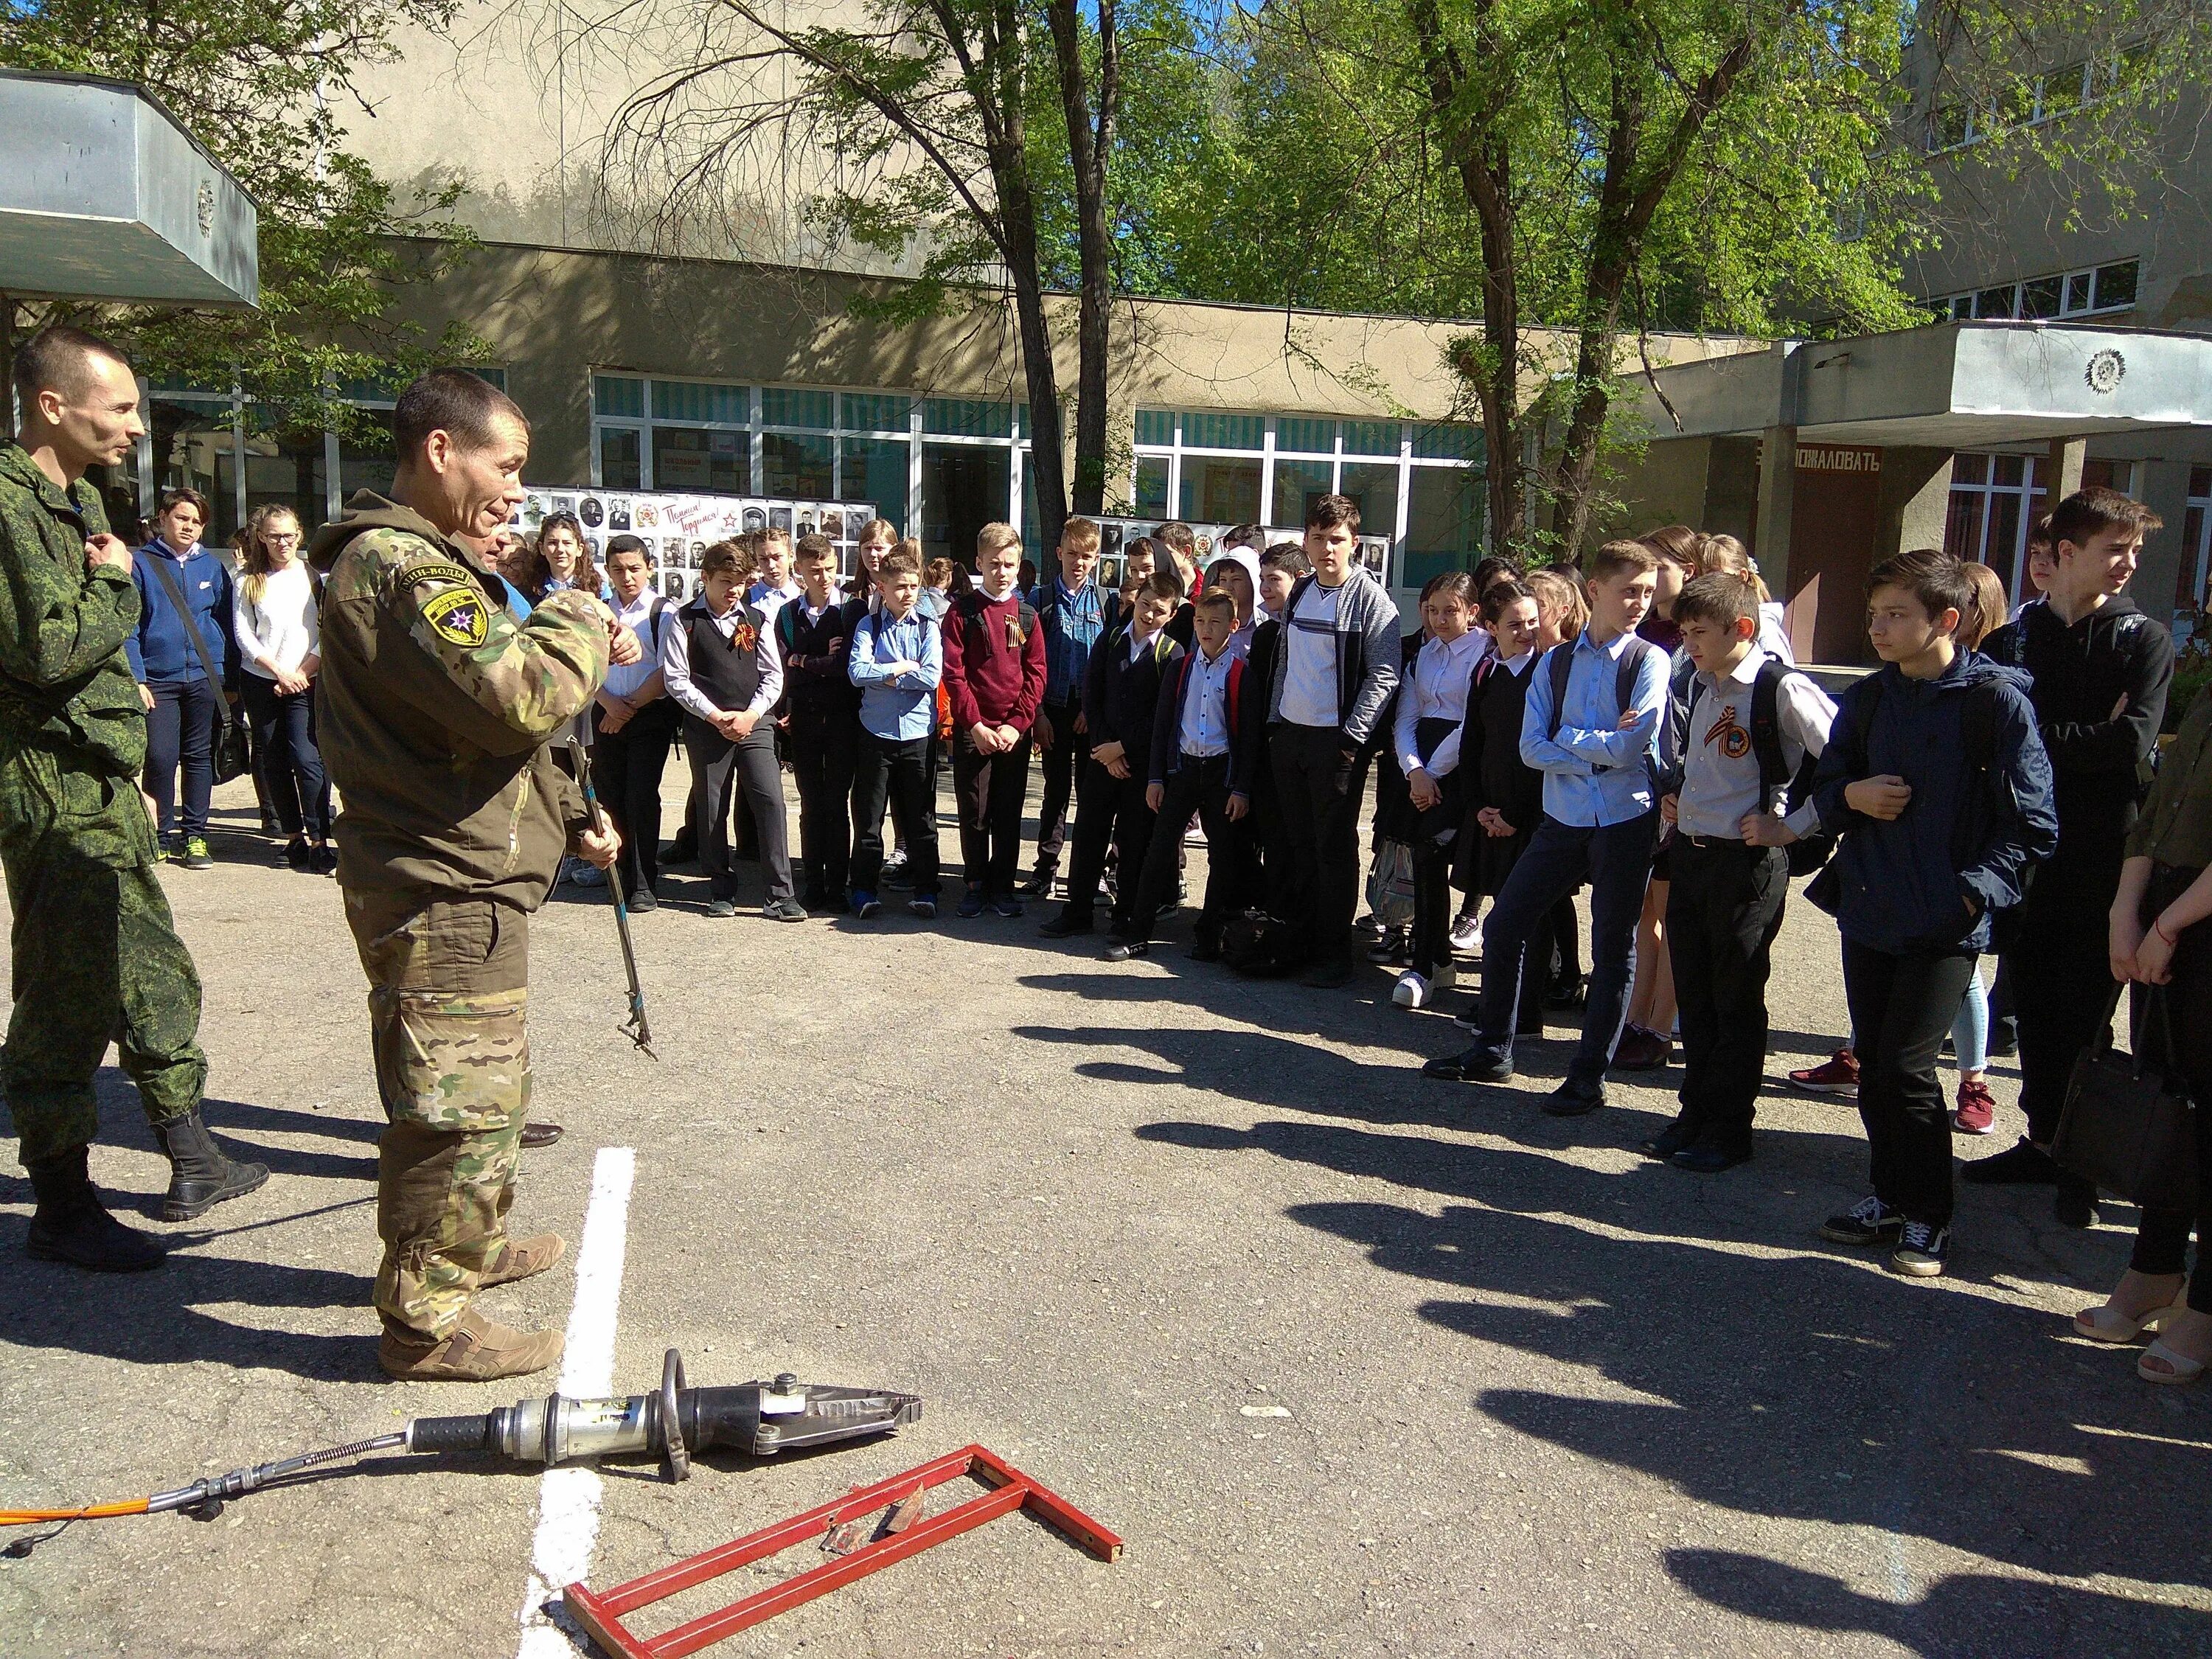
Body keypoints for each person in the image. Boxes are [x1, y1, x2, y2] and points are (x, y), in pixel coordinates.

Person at [307, 368, 636, 1379]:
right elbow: (517, 693)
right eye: (508, 463)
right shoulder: (403, 567)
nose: (518, 491)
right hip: (440, 883)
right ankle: (426, 1325)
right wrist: (581, 612)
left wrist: (573, 811)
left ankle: (470, 1250)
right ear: (442, 450)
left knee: (486, 1093)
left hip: (464, 876)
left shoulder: (431, 562)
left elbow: (483, 734)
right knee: (454, 1109)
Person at [0, 325, 268, 1271]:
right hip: (51, 781)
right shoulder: (10, 503)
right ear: (52, 405)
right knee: (67, 988)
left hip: (100, 776)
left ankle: (190, 1154)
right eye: (118, 407)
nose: (135, 425)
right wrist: (118, 586)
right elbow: (46, 649)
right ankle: (62, 1205)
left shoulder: (76, 498)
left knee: (148, 961)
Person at [1809, 549, 2055, 1279]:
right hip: (1871, 906)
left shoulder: (1995, 703)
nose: (1880, 630)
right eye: (1874, 615)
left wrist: (1971, 891)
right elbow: (1827, 782)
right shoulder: (1871, 698)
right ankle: (1888, 1195)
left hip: (1945, 920)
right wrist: (1851, 797)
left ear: (1946, 620)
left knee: (1908, 1068)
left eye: (1897, 616)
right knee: (1876, 1070)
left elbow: (2034, 823)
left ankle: (1929, 1217)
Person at [1969, 487, 2173, 1225]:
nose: (2127, 564)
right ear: (2061, 555)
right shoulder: (2012, 643)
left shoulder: (2139, 641)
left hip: (2105, 857)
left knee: (2087, 1011)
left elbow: (2130, 746)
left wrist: (2035, 740)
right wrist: (2072, 739)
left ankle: (2081, 1166)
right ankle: (2041, 1140)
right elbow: (1982, 736)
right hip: (2025, 854)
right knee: (2032, 1003)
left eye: (2134, 553)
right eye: (2113, 549)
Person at [1423, 540, 1668, 1115]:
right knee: (1505, 926)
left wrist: (1574, 741)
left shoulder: (1648, 661)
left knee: (1614, 948)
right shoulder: (1555, 663)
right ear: (1595, 592)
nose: (1639, 603)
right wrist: (1600, 745)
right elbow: (1530, 749)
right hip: (1564, 819)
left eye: (1648, 593)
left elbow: (1636, 745)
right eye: (1628, 590)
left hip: (1625, 819)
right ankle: (1492, 1048)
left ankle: (1587, 1076)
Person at [1643, 570, 1837, 1172]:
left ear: (1743, 629)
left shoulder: (1780, 687)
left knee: (1735, 998)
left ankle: (1731, 1128)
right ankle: (1696, 1111)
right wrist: (1678, 799)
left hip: (1746, 865)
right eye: (1685, 632)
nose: (1689, 644)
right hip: (1692, 854)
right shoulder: (1704, 683)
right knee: (1695, 995)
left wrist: (1791, 823)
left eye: (1699, 632)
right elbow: (1707, 766)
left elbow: (1843, 757)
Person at [2087, 681, 2212, 1382]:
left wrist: (2170, 924)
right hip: (2170, 906)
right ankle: (2156, 1269)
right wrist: (2127, 911)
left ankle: (2210, 1307)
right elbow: (2156, 812)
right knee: (2171, 1105)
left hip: (2194, 915)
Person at [1261, 495, 1402, 987]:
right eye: (1318, 538)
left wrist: (1351, 737)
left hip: (1335, 744)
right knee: (1299, 846)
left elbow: (1385, 675)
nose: (1327, 548)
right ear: (1306, 540)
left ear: (1354, 544)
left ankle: (1334, 955)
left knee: (1333, 851)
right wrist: (1277, 721)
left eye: (1337, 539)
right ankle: (1300, 942)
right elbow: (1284, 659)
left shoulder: (1371, 599)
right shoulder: (1299, 592)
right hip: (1292, 737)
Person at [1107, 588, 1253, 961]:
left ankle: (1208, 935)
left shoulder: (1241, 674)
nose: (1206, 629)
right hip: (1183, 771)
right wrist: (1156, 777)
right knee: (1158, 851)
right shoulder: (1181, 667)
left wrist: (1242, 788)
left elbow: (1249, 738)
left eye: (1216, 622)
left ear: (1233, 627)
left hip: (1221, 774)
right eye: (1201, 621)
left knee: (1222, 857)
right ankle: (1137, 931)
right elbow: (1163, 727)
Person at [1043, 570, 1186, 942]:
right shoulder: (1109, 640)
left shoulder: (1172, 654)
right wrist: (1105, 748)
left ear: (1171, 615)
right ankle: (1077, 910)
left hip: (1139, 767)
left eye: (1158, 610)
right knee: (1089, 834)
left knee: (1133, 841)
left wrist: (1123, 749)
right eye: (1144, 605)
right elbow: (1092, 696)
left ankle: (1125, 916)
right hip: (1101, 757)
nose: (1148, 615)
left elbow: (1163, 715)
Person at [665, 540, 804, 922]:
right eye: (726, 581)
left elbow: (774, 676)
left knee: (770, 799)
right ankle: (720, 887)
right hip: (708, 726)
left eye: (741, 583)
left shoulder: (756, 619)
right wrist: (715, 716)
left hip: (755, 723)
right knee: (712, 805)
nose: (734, 591)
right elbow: (676, 679)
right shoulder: (684, 620)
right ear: (705, 578)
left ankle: (780, 893)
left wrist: (752, 715)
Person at [1448, 580, 1548, 1037]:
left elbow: (1541, 756)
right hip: (1490, 813)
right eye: (1515, 625)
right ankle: (1496, 1002)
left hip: (1528, 817)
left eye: (1533, 622)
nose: (1527, 632)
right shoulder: (1486, 673)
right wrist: (1480, 807)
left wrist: (1513, 813)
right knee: (1501, 910)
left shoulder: (1547, 674)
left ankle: (1524, 1011)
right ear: (1490, 628)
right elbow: (1474, 742)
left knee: (1526, 915)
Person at [127, 486, 238, 868]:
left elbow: (226, 623)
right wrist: (137, 678)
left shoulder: (212, 567)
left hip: (206, 677)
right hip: (158, 678)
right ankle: (158, 834)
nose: (189, 526)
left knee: (198, 758)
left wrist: (231, 681)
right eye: (181, 518)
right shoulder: (141, 564)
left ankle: (195, 836)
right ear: (163, 519)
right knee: (159, 757)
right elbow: (130, 627)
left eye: (197, 521)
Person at [1941, 561, 2014, 1132]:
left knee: (1964, 973)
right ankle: (1857, 1055)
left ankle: (1975, 1081)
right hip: (1913, 851)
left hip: (1966, 851)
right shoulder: (1911, 675)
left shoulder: (1996, 681)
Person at [1390, 572, 1484, 1008]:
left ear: (1472, 612)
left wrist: (1434, 772)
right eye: (1432, 611)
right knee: (1424, 864)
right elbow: (1407, 716)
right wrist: (1414, 771)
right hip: (1422, 768)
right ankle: (1431, 960)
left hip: (1462, 768)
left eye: (1451, 610)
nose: (1440, 620)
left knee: (1447, 854)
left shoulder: (1484, 653)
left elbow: (1473, 722)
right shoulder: (1423, 655)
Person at [944, 522, 1047, 917]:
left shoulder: (1026, 616)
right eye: (993, 564)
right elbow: (955, 673)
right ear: (978, 564)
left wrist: (1016, 725)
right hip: (975, 730)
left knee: (1008, 811)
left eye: (1009, 564)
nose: (1001, 572)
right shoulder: (962, 612)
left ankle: (1003, 885)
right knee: (974, 810)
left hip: (1011, 732)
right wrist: (974, 724)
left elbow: (1036, 673)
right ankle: (975, 883)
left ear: (1019, 567)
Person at [233, 504, 333, 874]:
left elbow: (327, 630)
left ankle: (321, 838)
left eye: (289, 535)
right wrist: (276, 671)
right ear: (261, 537)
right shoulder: (247, 579)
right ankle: (294, 838)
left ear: (300, 535)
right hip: (262, 680)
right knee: (273, 759)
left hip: (306, 679)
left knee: (307, 758)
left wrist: (301, 673)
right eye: (274, 536)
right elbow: (243, 632)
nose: (282, 542)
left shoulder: (313, 577)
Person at [847, 546, 943, 918]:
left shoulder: (927, 626)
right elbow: (857, 673)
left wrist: (884, 673)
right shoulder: (867, 626)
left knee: (921, 819)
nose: (909, 593)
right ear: (882, 588)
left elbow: (931, 676)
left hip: (918, 735)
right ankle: (864, 890)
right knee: (869, 819)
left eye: (914, 586)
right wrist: (901, 668)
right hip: (877, 735)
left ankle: (926, 890)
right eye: (900, 586)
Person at [1025, 517, 1114, 899]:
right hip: (1053, 709)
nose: (1079, 563)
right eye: (1072, 554)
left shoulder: (1108, 603)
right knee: (1055, 791)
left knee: (1093, 796)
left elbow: (1110, 664)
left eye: (1087, 556)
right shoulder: (1038, 600)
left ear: (1097, 559)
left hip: (1090, 711)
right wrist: (1038, 714)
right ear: (1059, 553)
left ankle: (1090, 872)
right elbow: (1028, 662)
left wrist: (1092, 711)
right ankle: (1045, 870)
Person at [591, 535, 679, 911]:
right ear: (607, 571)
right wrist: (609, 704)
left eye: (634, 569)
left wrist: (630, 706)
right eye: (617, 570)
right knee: (609, 797)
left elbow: (669, 668)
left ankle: (644, 883)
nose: (626, 577)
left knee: (641, 797)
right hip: (606, 712)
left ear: (650, 568)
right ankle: (617, 877)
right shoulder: (597, 610)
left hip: (648, 714)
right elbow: (585, 665)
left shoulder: (664, 612)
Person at [777, 533, 862, 911]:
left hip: (844, 719)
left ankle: (837, 887)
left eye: (830, 569)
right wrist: (813, 662)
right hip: (806, 720)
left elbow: (846, 669)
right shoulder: (787, 615)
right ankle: (813, 883)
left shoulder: (851, 611)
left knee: (837, 804)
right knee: (811, 804)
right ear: (799, 572)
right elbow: (783, 673)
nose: (824, 577)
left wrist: (803, 659)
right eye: (815, 571)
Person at [746, 526, 800, 611]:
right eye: (763, 559)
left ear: (791, 556)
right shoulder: (746, 599)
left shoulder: (807, 596)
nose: (771, 565)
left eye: (777, 557)